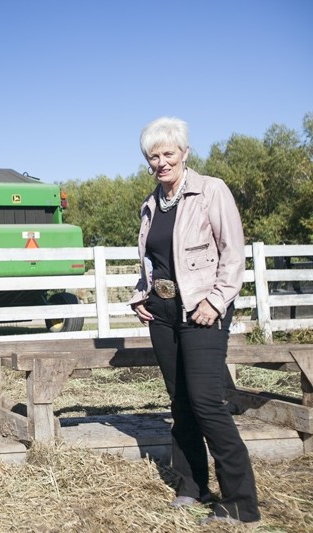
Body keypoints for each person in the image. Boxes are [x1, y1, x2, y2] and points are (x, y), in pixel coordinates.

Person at [128, 117, 260, 525]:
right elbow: (156, 261)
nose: (162, 162)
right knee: (180, 402)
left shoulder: (211, 191)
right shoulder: (152, 203)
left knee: (206, 402)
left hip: (203, 311)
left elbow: (233, 253)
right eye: (154, 156)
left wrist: (217, 302)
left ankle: (241, 503)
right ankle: (192, 485)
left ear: (185, 153)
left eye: (169, 153)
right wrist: (139, 294)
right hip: (162, 313)